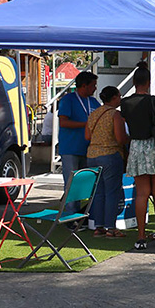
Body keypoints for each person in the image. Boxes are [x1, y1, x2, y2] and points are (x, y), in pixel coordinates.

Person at [120, 62, 155, 250]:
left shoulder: (125, 102)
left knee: (142, 194)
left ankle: (141, 236)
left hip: (136, 147)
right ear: (149, 82)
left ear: (135, 82)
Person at [84, 86, 127, 237]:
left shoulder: (93, 114)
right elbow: (120, 138)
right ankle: (111, 228)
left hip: (92, 156)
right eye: (119, 96)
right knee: (112, 192)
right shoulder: (115, 114)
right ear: (114, 98)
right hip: (110, 155)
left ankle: (99, 226)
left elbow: (87, 137)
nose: (120, 99)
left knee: (98, 193)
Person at [57, 70, 100, 218]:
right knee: (71, 183)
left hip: (89, 149)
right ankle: (70, 217)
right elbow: (63, 122)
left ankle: (83, 215)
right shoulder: (68, 100)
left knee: (85, 184)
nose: (95, 88)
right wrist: (86, 124)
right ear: (84, 85)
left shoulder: (93, 102)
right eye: (93, 85)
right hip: (70, 148)